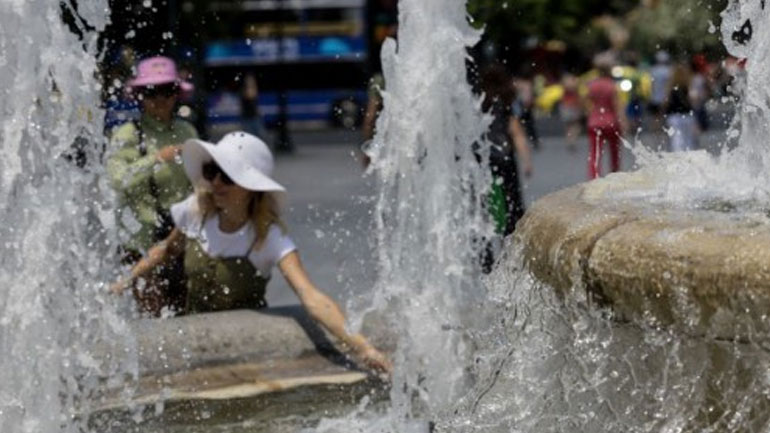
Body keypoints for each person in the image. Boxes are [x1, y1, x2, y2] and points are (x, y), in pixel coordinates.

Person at [110, 132, 392, 375]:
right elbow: (166, 250)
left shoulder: (268, 237)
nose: (216, 183)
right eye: (211, 171)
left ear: (251, 187)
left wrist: (364, 348)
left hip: (247, 351)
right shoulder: (195, 212)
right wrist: (125, 281)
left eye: (228, 176)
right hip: (195, 343)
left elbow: (311, 297)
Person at [107, 56, 199, 314]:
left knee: (187, 310)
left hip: (181, 239)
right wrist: (156, 159)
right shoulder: (127, 134)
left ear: (176, 94)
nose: (160, 99)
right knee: (154, 314)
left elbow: (201, 182)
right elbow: (117, 180)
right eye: (151, 92)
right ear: (139, 96)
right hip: (141, 243)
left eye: (167, 91)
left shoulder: (187, 132)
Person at [481, 64, 533, 238]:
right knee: (512, 201)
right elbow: (515, 131)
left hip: (482, 157)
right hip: (504, 156)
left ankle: (485, 253)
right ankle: (511, 242)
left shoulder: (479, 100)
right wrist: (526, 161)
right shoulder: (508, 100)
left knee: (484, 202)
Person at [584, 54, 625, 179]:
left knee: (595, 153)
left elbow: (585, 102)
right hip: (611, 122)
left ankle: (594, 178)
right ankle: (615, 176)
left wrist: (590, 112)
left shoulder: (591, 85)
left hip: (595, 122)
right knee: (614, 153)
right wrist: (623, 122)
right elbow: (617, 106)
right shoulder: (612, 85)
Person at [664, 63, 699, 152]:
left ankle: (678, 159)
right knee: (689, 141)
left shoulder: (670, 86)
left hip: (673, 116)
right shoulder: (688, 86)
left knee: (676, 140)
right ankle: (689, 160)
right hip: (687, 115)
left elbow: (666, 102)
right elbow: (693, 100)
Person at [559, 73, 583, 150]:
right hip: (571, 106)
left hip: (568, 106)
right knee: (574, 124)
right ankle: (571, 140)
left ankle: (570, 140)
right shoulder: (572, 83)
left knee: (570, 125)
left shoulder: (565, 83)